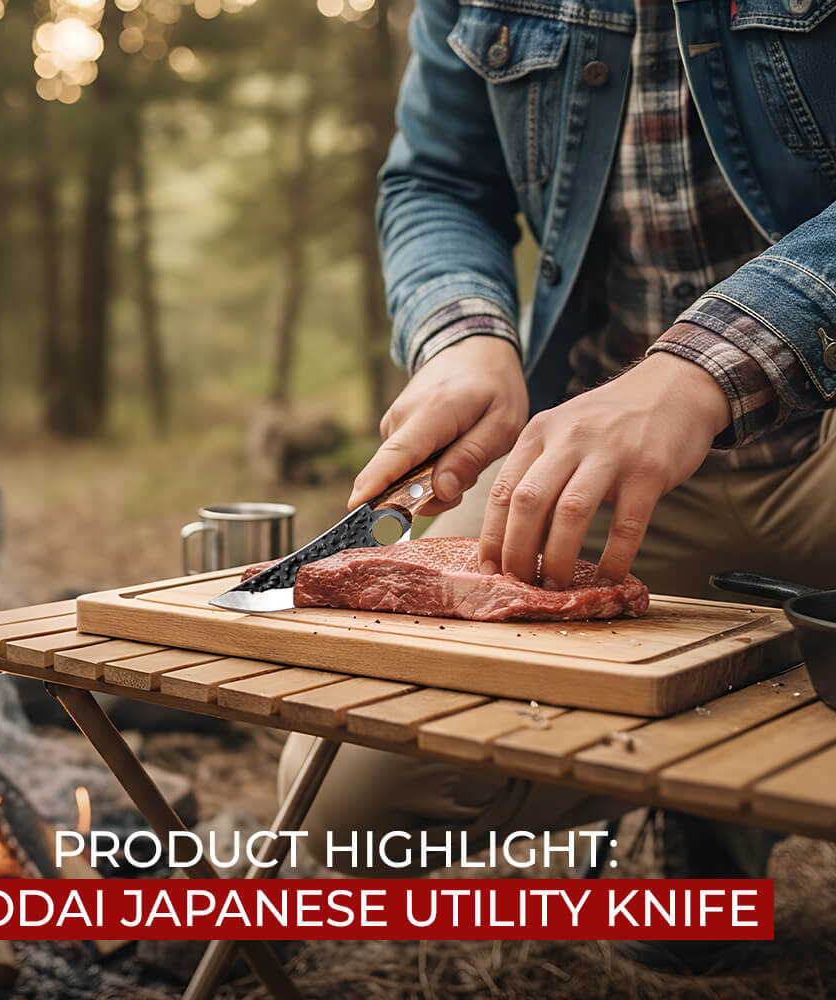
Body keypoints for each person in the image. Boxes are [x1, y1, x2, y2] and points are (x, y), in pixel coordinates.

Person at [279, 0, 836, 971]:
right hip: (602, 480)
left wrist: (703, 368)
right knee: (347, 806)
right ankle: (700, 780)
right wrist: (463, 334)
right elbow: (436, 179)